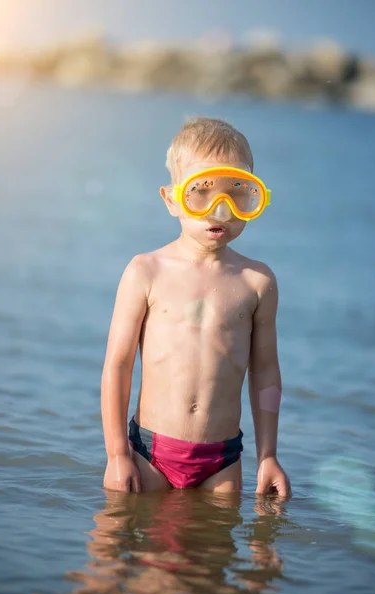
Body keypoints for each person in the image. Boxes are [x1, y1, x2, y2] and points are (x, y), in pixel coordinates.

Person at [101, 117, 291, 496]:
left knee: (213, 552)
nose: (221, 210)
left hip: (221, 460)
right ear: (172, 199)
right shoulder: (146, 271)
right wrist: (117, 454)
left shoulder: (257, 282)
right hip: (149, 452)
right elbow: (118, 366)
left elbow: (265, 373)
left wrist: (268, 456)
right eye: (201, 192)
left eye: (238, 192)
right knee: (116, 550)